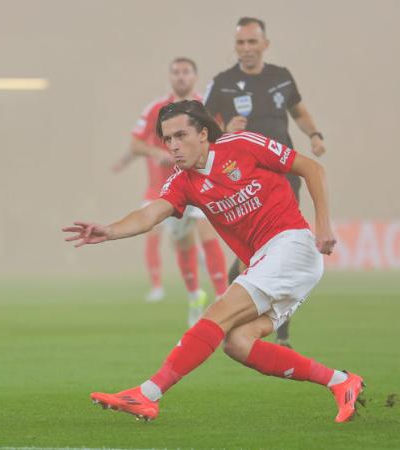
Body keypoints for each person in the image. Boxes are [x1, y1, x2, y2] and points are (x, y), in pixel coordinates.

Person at [63, 100, 363, 423]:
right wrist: (109, 230)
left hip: (292, 245)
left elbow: (312, 168)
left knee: (217, 315)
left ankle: (147, 394)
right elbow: (150, 214)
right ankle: (341, 381)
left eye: (181, 135)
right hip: (269, 260)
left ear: (203, 133)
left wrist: (322, 224)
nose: (174, 146)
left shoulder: (242, 145)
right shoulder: (183, 181)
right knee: (237, 343)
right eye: (167, 140)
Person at [203, 17, 327, 347]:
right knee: (260, 252)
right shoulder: (223, 83)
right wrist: (224, 130)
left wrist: (313, 134)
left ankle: (272, 327)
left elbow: (298, 111)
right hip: (242, 179)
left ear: (265, 45)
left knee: (277, 247)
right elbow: (199, 128)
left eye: (252, 42)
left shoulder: (281, 77)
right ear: (235, 47)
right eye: (240, 43)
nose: (246, 49)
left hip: (284, 173)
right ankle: (246, 316)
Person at [113, 57, 228, 325]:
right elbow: (134, 143)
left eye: (186, 72)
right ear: (170, 77)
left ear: (195, 76)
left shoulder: (207, 106)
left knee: (206, 231)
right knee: (181, 241)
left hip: (200, 182)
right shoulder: (156, 108)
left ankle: (223, 296)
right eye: (176, 72)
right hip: (166, 189)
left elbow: (221, 138)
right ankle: (194, 297)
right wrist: (156, 152)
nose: (181, 77)